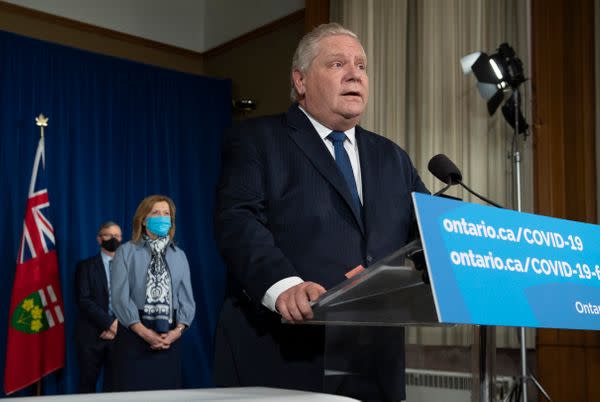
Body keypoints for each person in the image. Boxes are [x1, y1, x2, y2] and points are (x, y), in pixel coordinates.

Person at [214, 23, 429, 402]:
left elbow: (428, 236)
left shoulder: (392, 157)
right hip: (286, 349)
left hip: (375, 355)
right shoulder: (257, 140)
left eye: (361, 66)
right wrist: (283, 286)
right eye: (337, 64)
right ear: (300, 80)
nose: (354, 75)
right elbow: (238, 221)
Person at [108, 195, 195, 391]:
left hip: (169, 337)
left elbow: (186, 300)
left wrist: (176, 332)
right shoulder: (126, 251)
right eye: (155, 213)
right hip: (134, 335)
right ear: (144, 220)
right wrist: (143, 332)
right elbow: (120, 298)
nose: (162, 217)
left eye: (166, 213)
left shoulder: (179, 255)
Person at [74, 221, 122, 393]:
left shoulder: (129, 267)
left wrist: (117, 326)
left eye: (117, 236)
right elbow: (84, 300)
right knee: (87, 385)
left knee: (117, 387)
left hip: (120, 336)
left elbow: (133, 299)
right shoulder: (85, 267)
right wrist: (110, 324)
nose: (114, 239)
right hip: (91, 335)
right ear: (99, 239)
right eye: (109, 235)